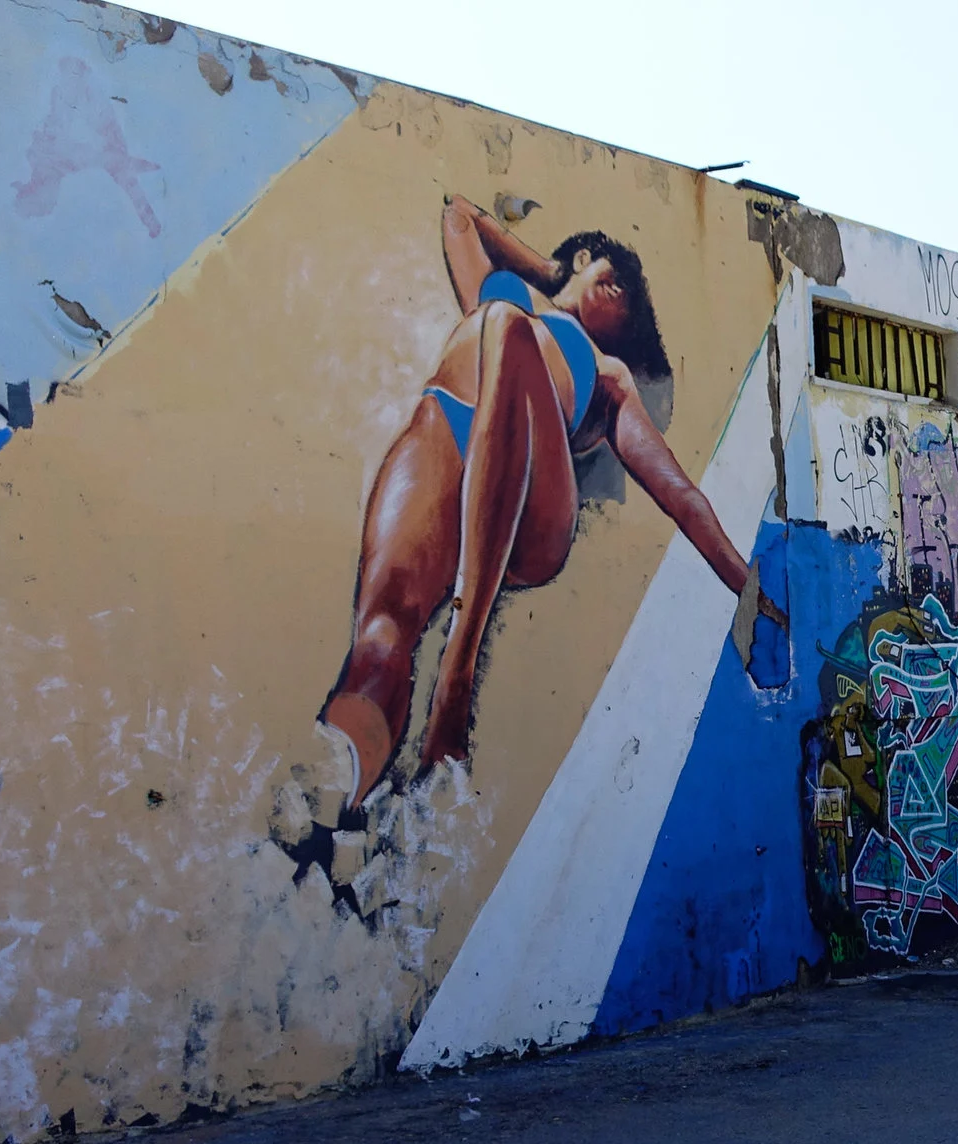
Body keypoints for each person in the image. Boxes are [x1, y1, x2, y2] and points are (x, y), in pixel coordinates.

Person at [317, 195, 781, 807]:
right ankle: (338, 788)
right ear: (581, 260)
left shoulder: (609, 373)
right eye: (609, 278)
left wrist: (754, 591)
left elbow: (681, 496)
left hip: (535, 493)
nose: (620, 296)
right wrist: (551, 271)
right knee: (381, 634)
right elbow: (460, 213)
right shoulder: (499, 288)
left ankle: (459, 664)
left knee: (508, 327)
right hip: (446, 435)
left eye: (629, 302)